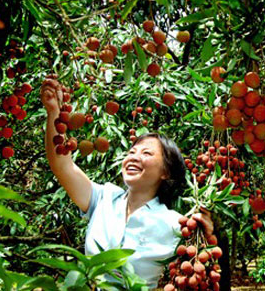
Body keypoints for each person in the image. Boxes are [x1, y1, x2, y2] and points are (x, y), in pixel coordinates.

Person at [40, 78, 213, 289]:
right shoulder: (103, 198)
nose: (133, 157)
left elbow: (198, 271)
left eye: (146, 153)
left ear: (166, 172)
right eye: (131, 152)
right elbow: (62, 165)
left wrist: (207, 234)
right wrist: (53, 113)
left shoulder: (177, 224)